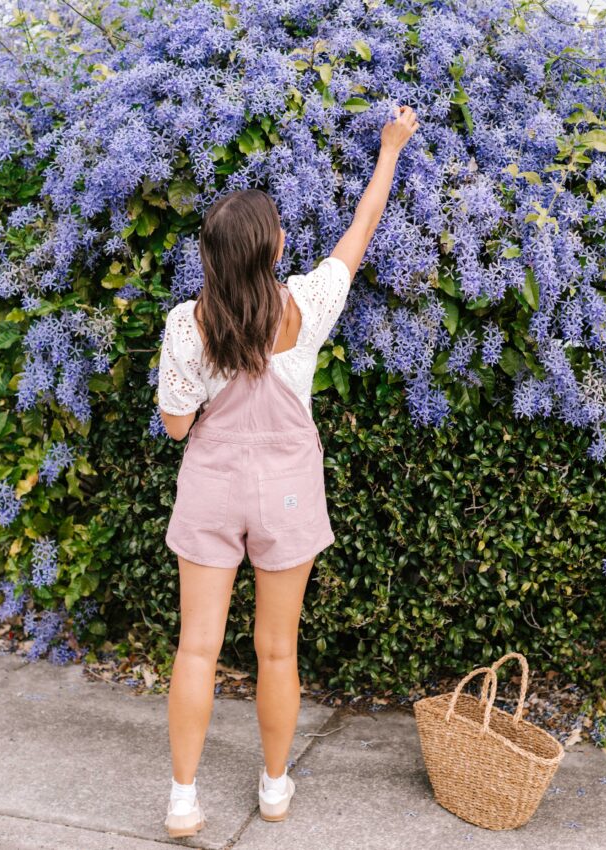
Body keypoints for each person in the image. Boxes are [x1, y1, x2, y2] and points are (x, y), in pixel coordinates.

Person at [156, 104, 419, 838]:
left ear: (211, 257)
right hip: (289, 495)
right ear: (273, 249)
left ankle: (183, 799)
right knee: (277, 649)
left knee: (196, 648)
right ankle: (274, 787)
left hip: (211, 490)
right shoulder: (307, 303)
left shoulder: (186, 323)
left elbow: (175, 425)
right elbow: (362, 228)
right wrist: (390, 148)